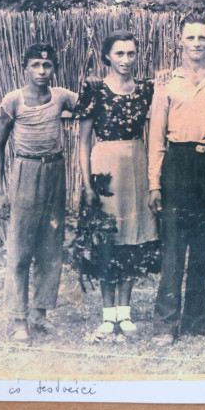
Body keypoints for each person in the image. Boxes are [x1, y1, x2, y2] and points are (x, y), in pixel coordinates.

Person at [148, 12, 205, 346]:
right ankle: (165, 324)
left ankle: (197, 321)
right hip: (179, 165)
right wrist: (154, 183)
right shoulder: (168, 84)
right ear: (180, 41)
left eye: (202, 37)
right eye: (190, 37)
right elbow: (156, 138)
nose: (196, 43)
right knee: (173, 248)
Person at [0, 43, 78, 343]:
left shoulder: (62, 96)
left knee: (50, 247)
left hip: (55, 172)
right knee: (20, 249)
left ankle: (40, 315)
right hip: (25, 172)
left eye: (47, 65)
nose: (41, 71)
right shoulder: (13, 100)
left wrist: (94, 84)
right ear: (25, 68)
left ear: (55, 68)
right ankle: (19, 318)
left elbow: (91, 107)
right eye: (35, 65)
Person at [76, 30, 159, 341]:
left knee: (132, 240)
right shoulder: (94, 90)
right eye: (119, 53)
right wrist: (87, 185)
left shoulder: (146, 90)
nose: (126, 59)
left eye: (131, 53)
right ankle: (107, 315)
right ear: (107, 57)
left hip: (136, 167)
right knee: (106, 241)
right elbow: (83, 142)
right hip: (105, 170)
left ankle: (124, 313)